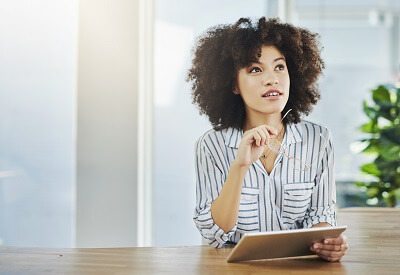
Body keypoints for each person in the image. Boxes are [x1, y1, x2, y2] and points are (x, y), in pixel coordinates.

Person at [187, 17, 348, 262]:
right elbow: (215, 232)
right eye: (255, 69)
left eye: (279, 67)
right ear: (234, 85)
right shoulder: (212, 145)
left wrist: (327, 243)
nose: (272, 79)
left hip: (298, 267)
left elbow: (320, 215)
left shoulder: (319, 139)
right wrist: (239, 166)